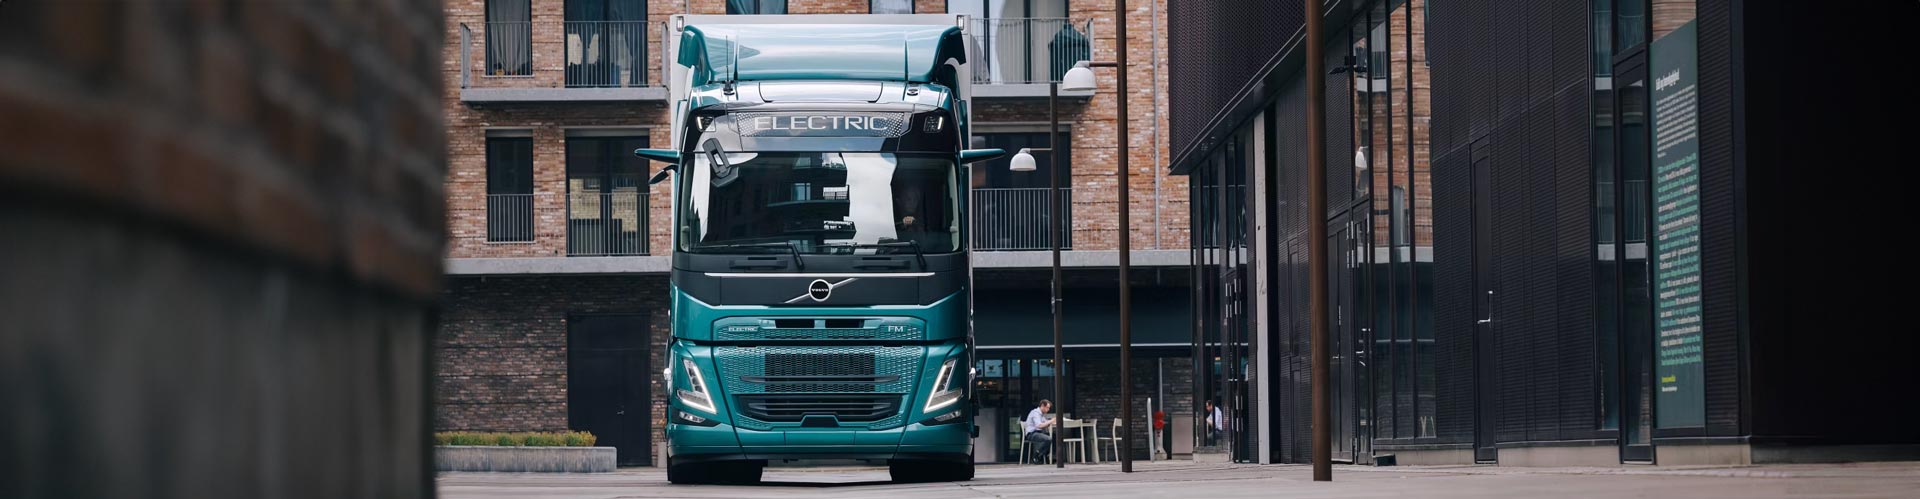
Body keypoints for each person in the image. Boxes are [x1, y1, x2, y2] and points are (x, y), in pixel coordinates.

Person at [1023, 399, 1058, 463]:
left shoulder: (1041, 414)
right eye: (1047, 407)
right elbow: (1039, 425)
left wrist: (1052, 421)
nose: (1048, 410)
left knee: (1054, 436)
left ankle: (1049, 456)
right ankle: (1036, 455)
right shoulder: (1035, 413)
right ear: (1042, 406)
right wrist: (1051, 421)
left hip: (1039, 433)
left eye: (1049, 408)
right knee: (1048, 439)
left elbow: (1045, 422)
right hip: (1032, 434)